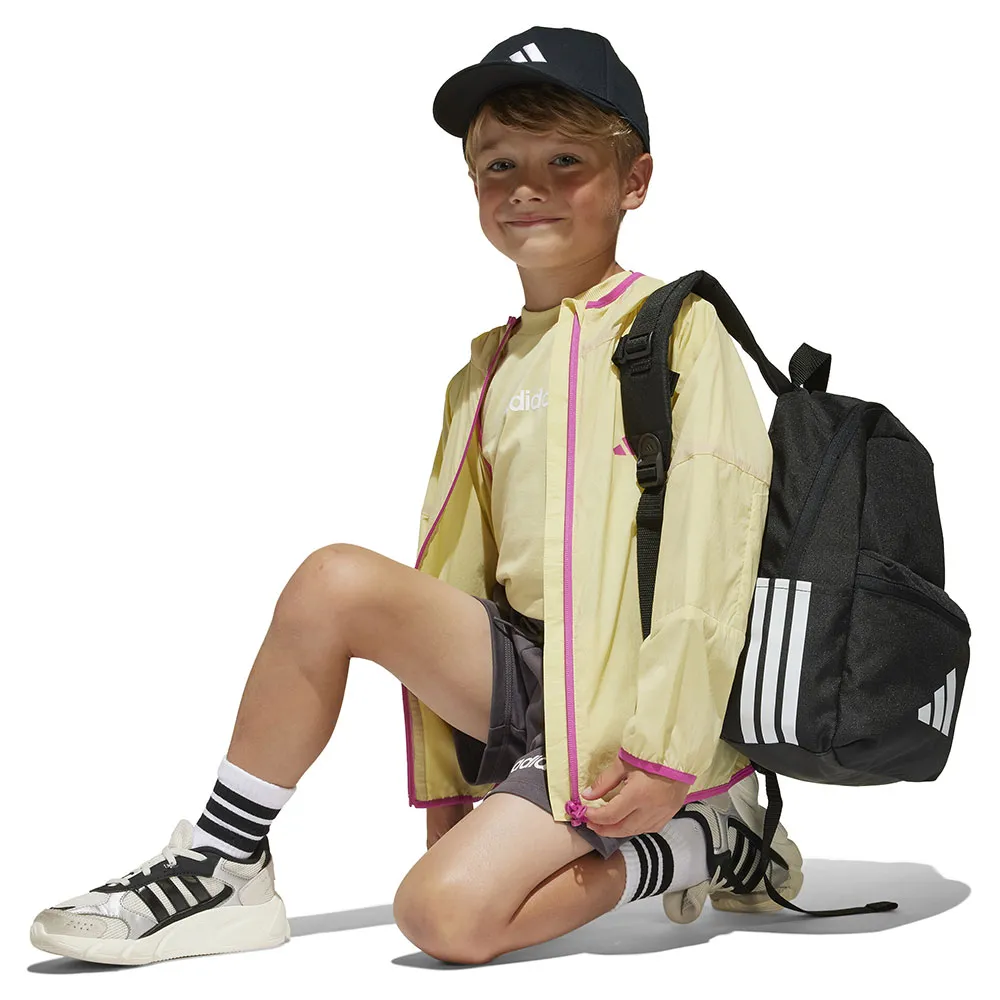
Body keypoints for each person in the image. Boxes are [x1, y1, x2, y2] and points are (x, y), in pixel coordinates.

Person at [28, 25, 803, 967]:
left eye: (565, 161)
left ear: (634, 180)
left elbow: (709, 561)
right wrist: (450, 779)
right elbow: (458, 579)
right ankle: (226, 861)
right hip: (526, 678)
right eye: (499, 164)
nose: (526, 187)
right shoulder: (485, 367)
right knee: (335, 581)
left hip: (625, 703)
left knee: (444, 917)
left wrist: (664, 754)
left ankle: (709, 838)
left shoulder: (678, 332)